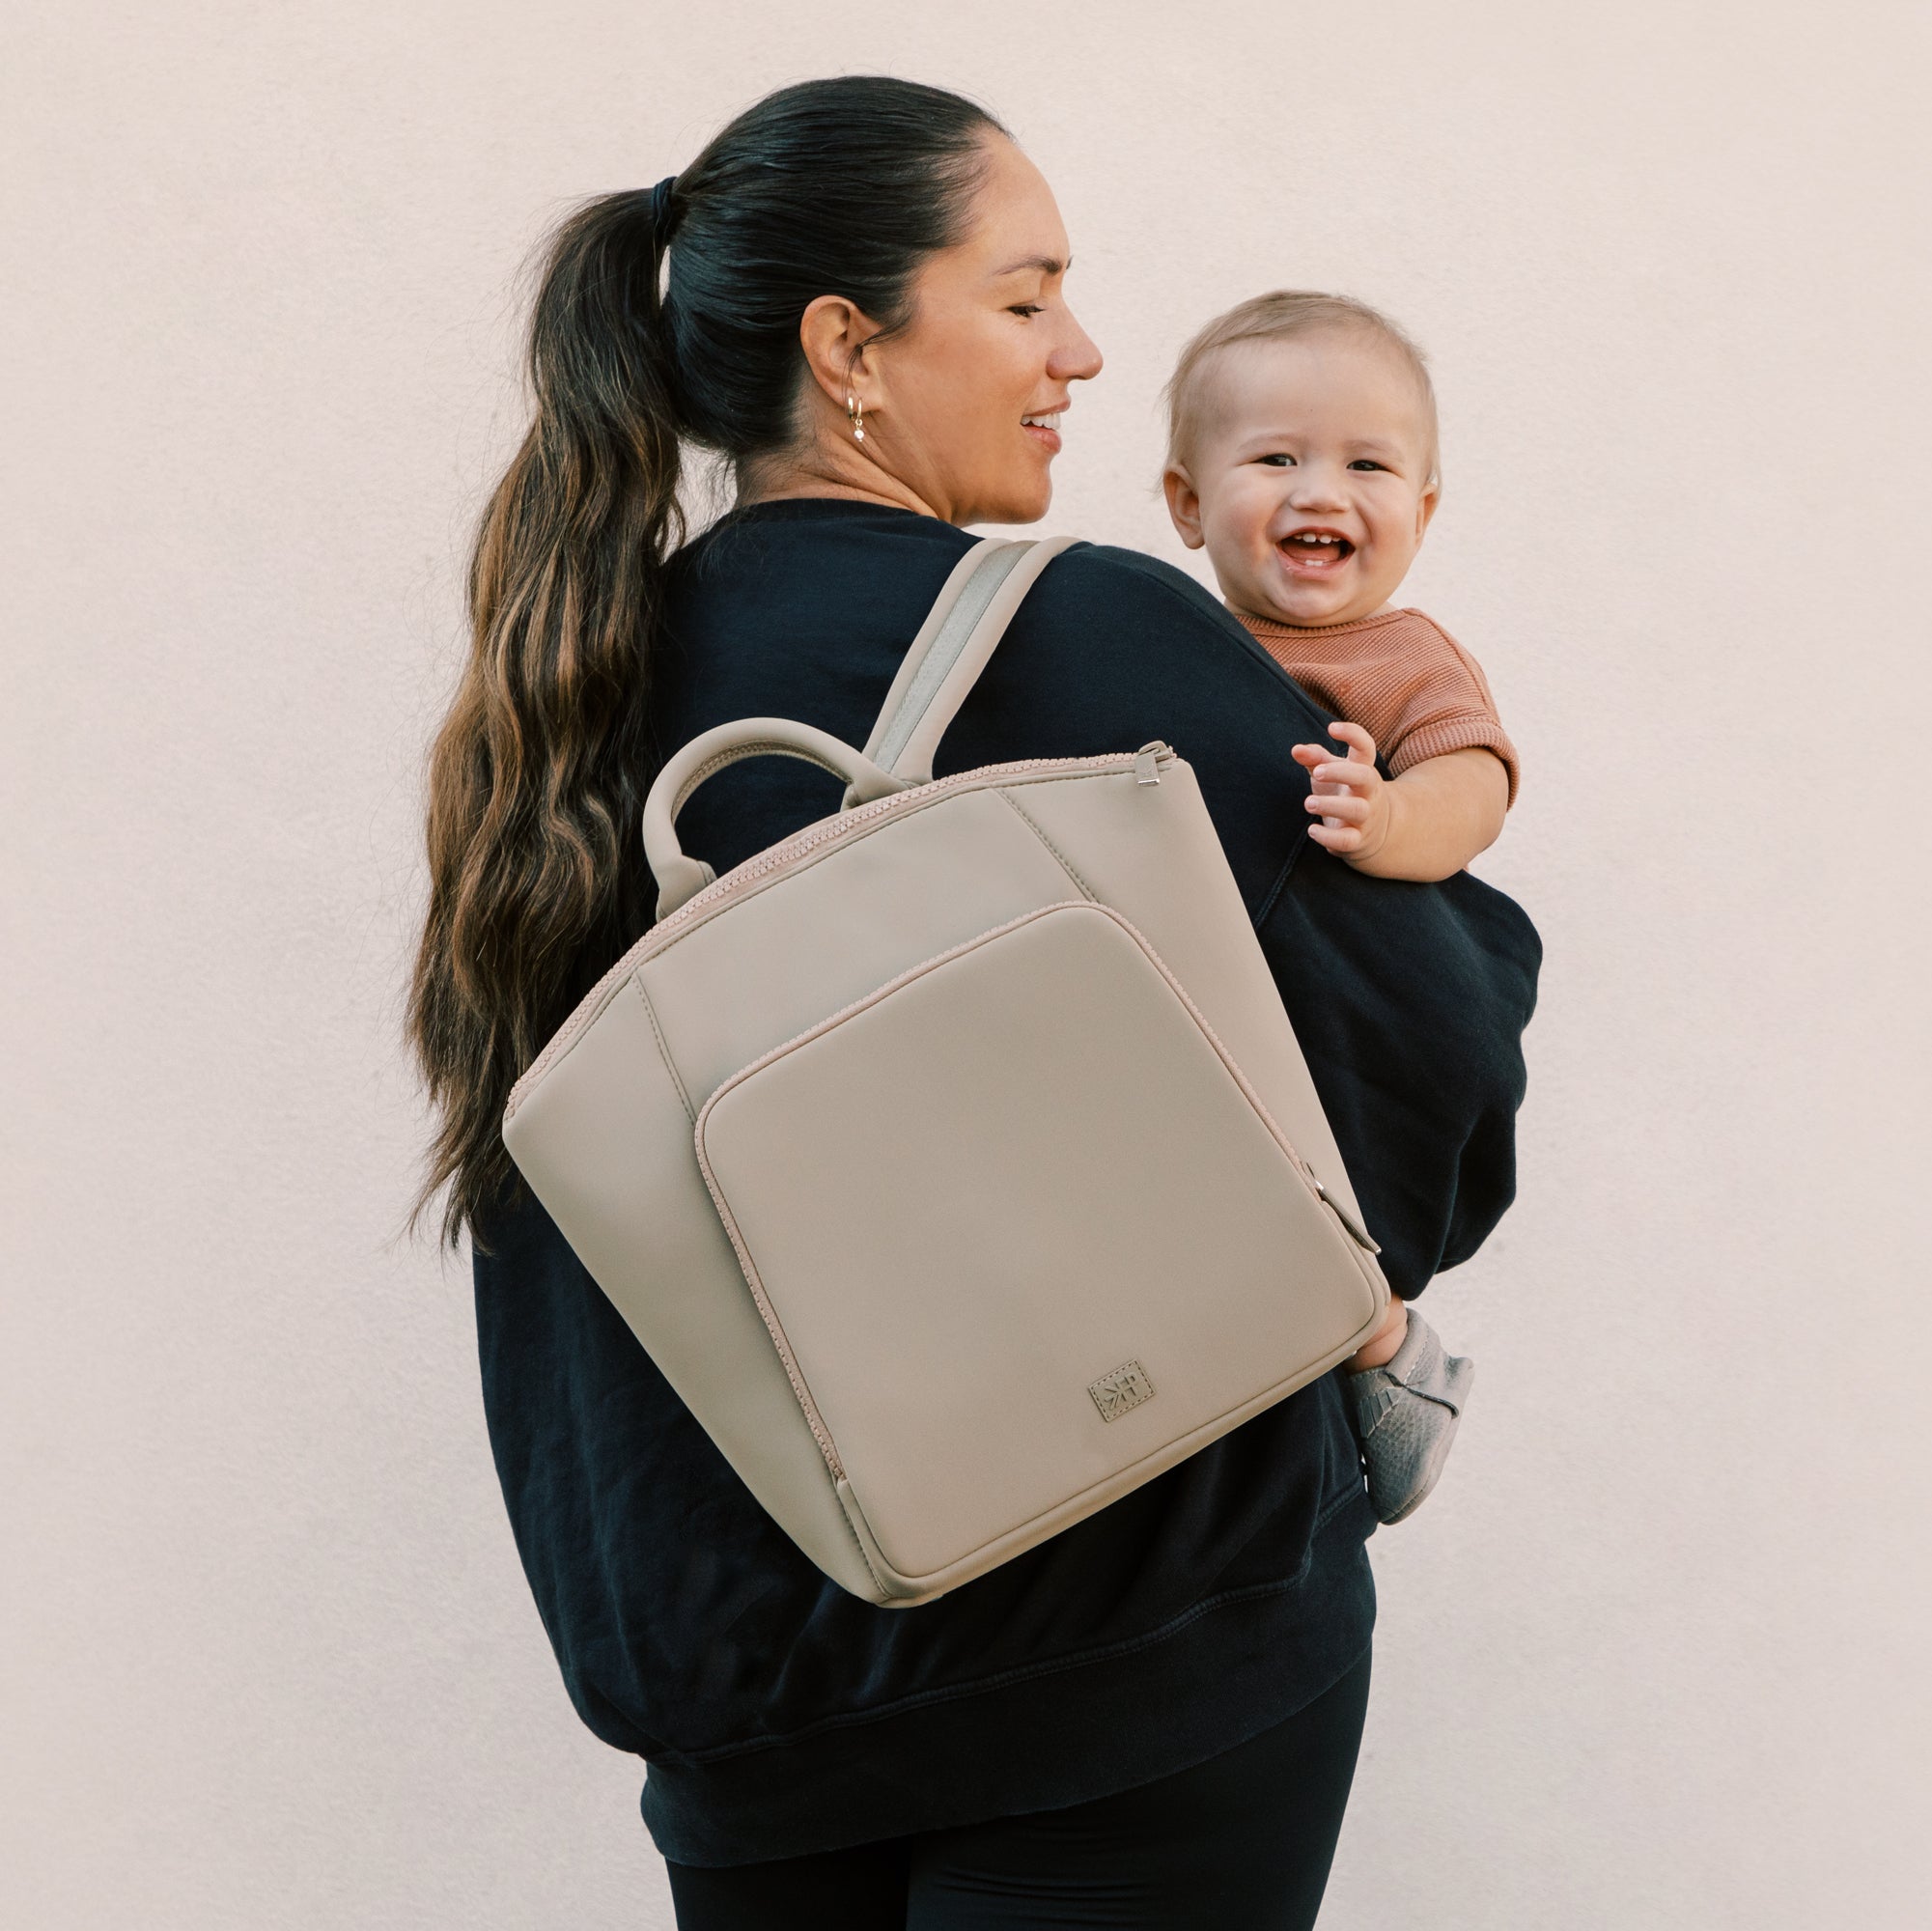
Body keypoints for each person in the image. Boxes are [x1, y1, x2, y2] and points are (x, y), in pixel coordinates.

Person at [408, 75, 1540, 1930]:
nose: (1080, 351)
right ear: (847, 349)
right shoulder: (1092, 637)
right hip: (1132, 1665)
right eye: (1025, 297)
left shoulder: (564, 695)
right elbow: (1430, 1116)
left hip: (749, 1711)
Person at [1162, 290, 1520, 1525]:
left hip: (1347, 1017)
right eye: (1275, 459)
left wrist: (1389, 819)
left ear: (1422, 508)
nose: (1322, 491)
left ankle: (1391, 1363)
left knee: (1324, 1220)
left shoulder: (1404, 655)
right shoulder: (1171, 638)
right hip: (1211, 998)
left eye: (1368, 464)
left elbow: (1476, 783)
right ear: (1187, 502)